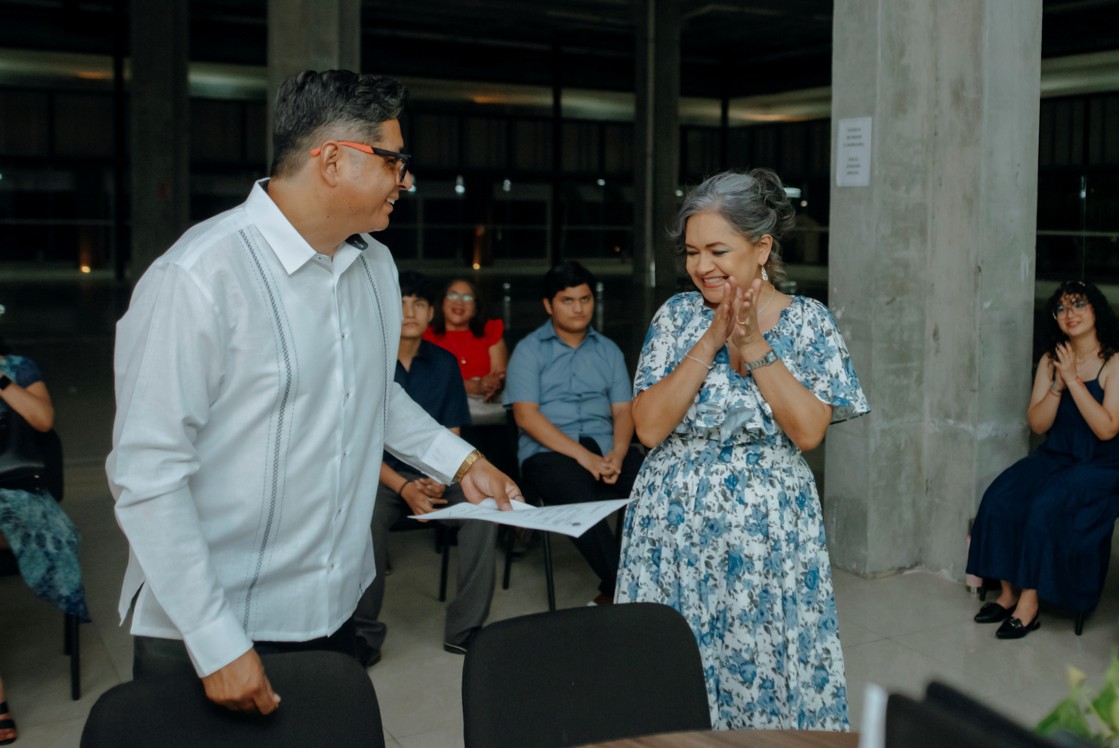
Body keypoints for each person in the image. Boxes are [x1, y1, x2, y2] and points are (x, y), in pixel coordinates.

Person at [106, 69, 521, 716]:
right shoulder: (198, 277)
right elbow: (147, 474)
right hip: (207, 623)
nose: (406, 180)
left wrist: (462, 462)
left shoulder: (375, 265)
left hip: (331, 604)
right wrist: (214, 640)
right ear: (332, 160)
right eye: (393, 161)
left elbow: (373, 394)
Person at [615, 169, 869, 731]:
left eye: (717, 250)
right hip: (671, 529)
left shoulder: (809, 323)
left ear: (761, 248)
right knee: (671, 668)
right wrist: (711, 338)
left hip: (767, 534)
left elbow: (808, 431)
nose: (701, 266)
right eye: (692, 253)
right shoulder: (676, 317)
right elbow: (649, 429)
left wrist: (752, 342)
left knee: (763, 664)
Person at [353, 271, 497, 664]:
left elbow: (451, 432)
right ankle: (363, 634)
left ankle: (465, 629)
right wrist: (404, 487)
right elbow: (359, 445)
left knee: (484, 508)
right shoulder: (367, 363)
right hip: (382, 477)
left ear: (431, 312)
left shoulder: (444, 363)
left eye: (418, 303)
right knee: (364, 514)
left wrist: (437, 477)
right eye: (400, 303)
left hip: (437, 475)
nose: (410, 312)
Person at [967, 280, 1119, 639]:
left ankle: (1029, 603)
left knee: (1044, 506)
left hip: (1100, 464)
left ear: (1096, 309)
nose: (1070, 314)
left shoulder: (1114, 362)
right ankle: (1008, 592)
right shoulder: (1051, 361)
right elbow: (1037, 423)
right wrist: (1057, 384)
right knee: (1000, 497)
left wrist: (1074, 380)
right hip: (1056, 456)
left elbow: (1107, 429)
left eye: (1078, 304)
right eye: (1061, 308)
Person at [504, 260, 643, 605]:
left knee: (649, 486)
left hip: (606, 446)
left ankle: (614, 590)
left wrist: (618, 453)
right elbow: (525, 416)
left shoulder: (608, 350)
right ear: (548, 304)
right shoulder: (529, 350)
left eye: (585, 299)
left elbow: (623, 410)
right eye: (567, 300)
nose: (578, 308)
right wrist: (585, 458)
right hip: (548, 452)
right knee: (578, 500)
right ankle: (625, 591)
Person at [424, 278, 508, 424]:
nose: (459, 302)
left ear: (475, 307)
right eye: (453, 295)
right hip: (440, 417)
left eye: (467, 297)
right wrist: (475, 386)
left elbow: (500, 374)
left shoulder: (490, 331)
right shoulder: (426, 336)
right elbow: (430, 382)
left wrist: (494, 385)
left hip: (487, 416)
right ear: (442, 303)